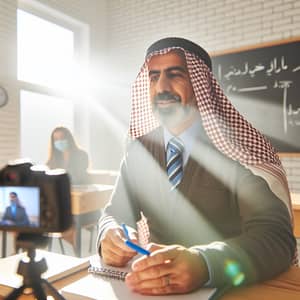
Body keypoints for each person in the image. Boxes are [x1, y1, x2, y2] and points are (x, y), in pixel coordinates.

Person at [97, 37, 296, 295]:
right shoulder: (139, 151)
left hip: (231, 287)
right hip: (151, 287)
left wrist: (205, 264)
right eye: (154, 76)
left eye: (175, 74)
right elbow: (115, 212)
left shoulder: (238, 151)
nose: (161, 87)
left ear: (203, 86)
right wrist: (109, 234)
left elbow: (276, 238)